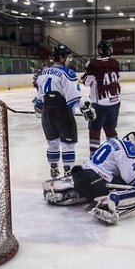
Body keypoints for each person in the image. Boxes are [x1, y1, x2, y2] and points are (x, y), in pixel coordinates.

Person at [42, 131, 135, 224]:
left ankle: (64, 190)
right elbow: (132, 177)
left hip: (80, 176)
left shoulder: (112, 142)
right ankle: (111, 202)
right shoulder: (128, 148)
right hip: (96, 183)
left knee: (109, 179)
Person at [34, 44, 96, 179]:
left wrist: (39, 106)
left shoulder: (43, 73)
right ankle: (68, 173)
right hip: (62, 113)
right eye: (68, 57)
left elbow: (39, 100)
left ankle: (54, 169)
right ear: (62, 58)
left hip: (47, 113)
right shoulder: (67, 74)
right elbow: (73, 99)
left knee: (52, 143)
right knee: (68, 144)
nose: (69, 60)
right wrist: (85, 107)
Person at [81, 40, 121, 157]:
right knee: (110, 128)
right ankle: (117, 154)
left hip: (100, 104)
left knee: (95, 130)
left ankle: (94, 157)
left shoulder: (93, 64)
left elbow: (86, 82)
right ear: (109, 50)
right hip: (115, 102)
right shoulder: (115, 62)